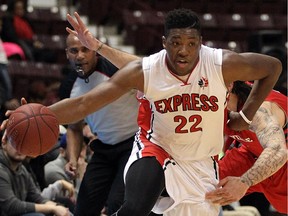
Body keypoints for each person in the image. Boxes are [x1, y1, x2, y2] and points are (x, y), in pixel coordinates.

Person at [1, 8, 282, 216]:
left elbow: (272, 67)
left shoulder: (221, 64)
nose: (183, 51)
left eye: (191, 44)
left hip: (200, 162)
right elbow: (85, 104)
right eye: (175, 43)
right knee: (135, 207)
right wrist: (35, 115)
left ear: (201, 43)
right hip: (156, 148)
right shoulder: (147, 71)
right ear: (163, 42)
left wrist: (245, 116)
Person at [59, 33, 139, 216]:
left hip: (133, 144)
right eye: (74, 50)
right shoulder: (68, 86)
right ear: (67, 54)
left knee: (117, 203)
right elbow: (74, 127)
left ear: (95, 51)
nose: (79, 55)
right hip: (104, 147)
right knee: (84, 207)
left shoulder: (115, 68)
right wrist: (72, 158)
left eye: (85, 49)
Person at [206, 81, 287, 215]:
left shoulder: (260, 109)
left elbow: (278, 151)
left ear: (229, 88)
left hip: (279, 160)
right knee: (201, 187)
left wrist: (244, 181)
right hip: (250, 153)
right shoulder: (215, 102)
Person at [0, 133, 71, 216]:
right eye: (16, 142)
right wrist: (52, 208)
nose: (20, 147)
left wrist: (57, 207)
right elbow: (12, 206)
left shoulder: (22, 169)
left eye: (25, 144)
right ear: (4, 143)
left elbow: (36, 197)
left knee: (64, 208)